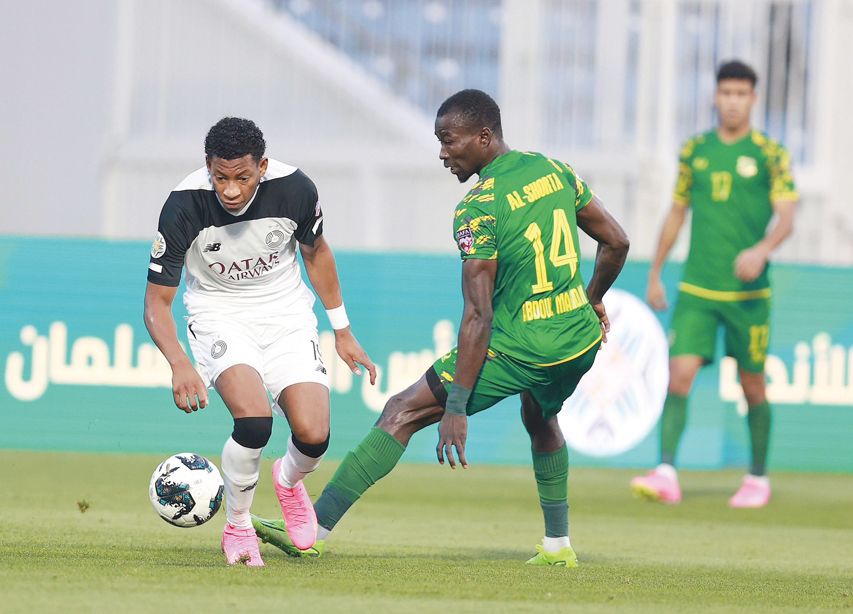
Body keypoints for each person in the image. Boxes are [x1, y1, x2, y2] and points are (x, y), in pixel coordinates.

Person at [252, 89, 629, 567]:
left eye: (449, 141)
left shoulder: (480, 207)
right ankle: (558, 547)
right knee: (540, 417)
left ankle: (311, 532)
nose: (443, 154)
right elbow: (617, 241)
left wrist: (456, 406)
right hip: (579, 341)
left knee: (401, 411)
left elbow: (479, 316)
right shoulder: (553, 170)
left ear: (484, 137)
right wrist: (591, 298)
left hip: (523, 346)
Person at [143, 117, 377, 566]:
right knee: (254, 423)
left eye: (243, 177)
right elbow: (156, 303)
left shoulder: (295, 189)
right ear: (208, 166)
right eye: (220, 177)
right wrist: (179, 363)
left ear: (262, 167)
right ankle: (238, 524)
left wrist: (342, 330)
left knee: (314, 435)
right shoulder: (183, 205)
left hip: (286, 314)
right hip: (219, 314)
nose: (231, 190)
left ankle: (288, 482)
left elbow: (316, 253)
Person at [630, 61, 798, 508]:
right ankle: (666, 472)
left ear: (753, 99)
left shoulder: (770, 154)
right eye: (726, 93)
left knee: (752, 385)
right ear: (715, 97)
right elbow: (677, 211)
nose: (733, 101)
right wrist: (655, 271)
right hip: (698, 289)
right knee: (679, 375)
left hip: (748, 294)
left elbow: (787, 217)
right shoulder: (695, 151)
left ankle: (757, 478)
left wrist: (762, 250)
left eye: (741, 93)